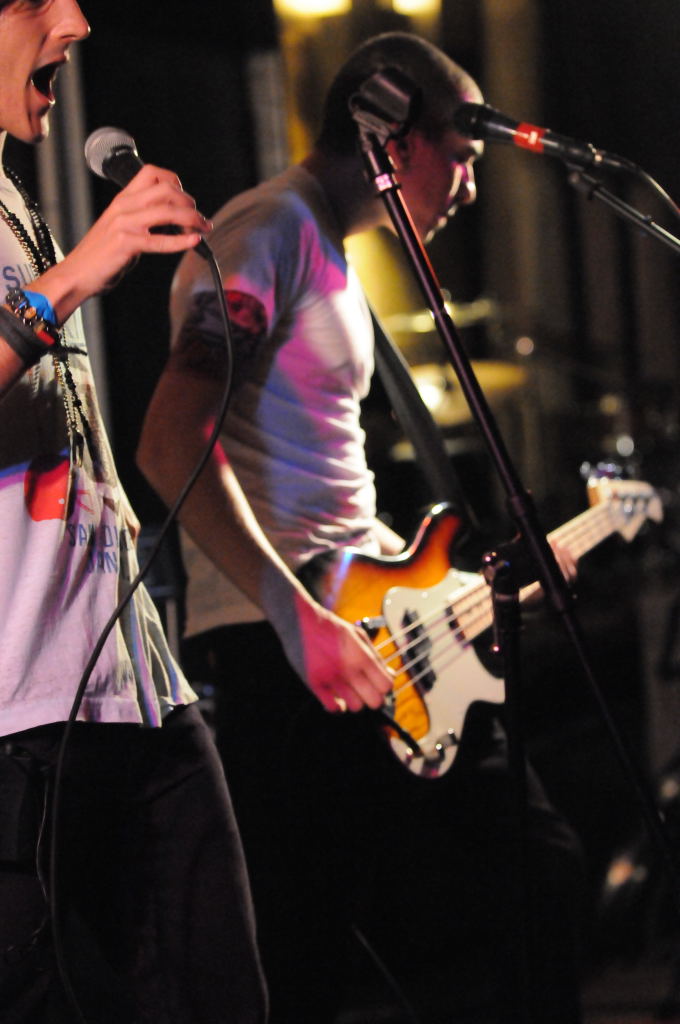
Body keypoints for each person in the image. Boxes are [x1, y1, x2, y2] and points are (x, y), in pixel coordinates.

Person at [137, 31, 584, 1024]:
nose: (468, 184)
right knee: (307, 951)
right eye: (459, 155)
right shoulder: (267, 229)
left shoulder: (327, 249)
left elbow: (325, 489)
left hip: (368, 626)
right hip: (286, 644)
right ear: (391, 133)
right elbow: (169, 440)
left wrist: (470, 585)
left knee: (528, 874)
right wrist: (296, 617)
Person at [0, 2, 268, 1022]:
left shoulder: (13, 197)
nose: (74, 20)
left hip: (135, 688)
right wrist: (74, 277)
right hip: (18, 720)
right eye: (35, 0)